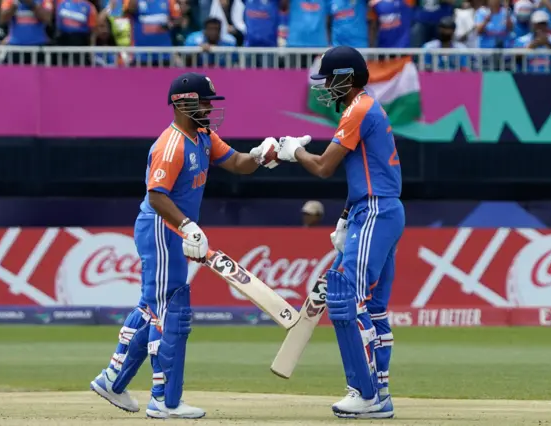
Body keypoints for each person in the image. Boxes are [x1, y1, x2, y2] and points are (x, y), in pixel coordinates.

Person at [89, 72, 286, 419]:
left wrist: (258, 155)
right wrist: (188, 226)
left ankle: (113, 379)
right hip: (162, 229)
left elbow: (237, 163)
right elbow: (156, 195)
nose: (211, 107)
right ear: (184, 103)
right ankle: (164, 400)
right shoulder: (172, 144)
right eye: (205, 101)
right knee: (170, 312)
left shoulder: (204, 136)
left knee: (153, 307)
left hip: (173, 230)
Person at [276, 46, 404, 419]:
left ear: (347, 78)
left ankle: (365, 393)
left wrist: (292, 151)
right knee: (374, 308)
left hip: (376, 210)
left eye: (330, 80)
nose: (326, 88)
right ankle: (378, 391)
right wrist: (346, 218)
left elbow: (322, 168)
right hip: (380, 209)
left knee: (347, 298)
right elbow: (364, 171)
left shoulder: (357, 109)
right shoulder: (366, 107)